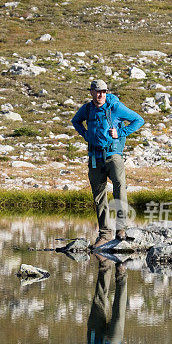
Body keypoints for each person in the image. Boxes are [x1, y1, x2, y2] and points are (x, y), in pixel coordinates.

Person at [71, 80, 144, 248]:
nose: (100, 94)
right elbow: (75, 121)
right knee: (99, 196)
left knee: (120, 189)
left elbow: (138, 120)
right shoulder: (87, 109)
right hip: (95, 157)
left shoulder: (115, 107)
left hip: (113, 156)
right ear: (91, 92)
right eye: (97, 91)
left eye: (103, 91)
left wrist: (120, 132)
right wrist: (85, 134)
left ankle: (121, 230)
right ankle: (104, 234)